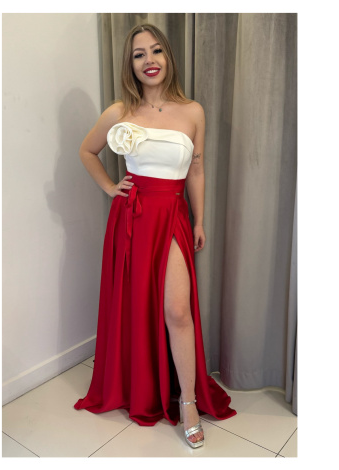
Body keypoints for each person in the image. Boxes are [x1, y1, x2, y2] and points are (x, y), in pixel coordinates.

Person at [74, 23, 236, 449]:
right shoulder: (119, 112)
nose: (149, 60)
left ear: (168, 57)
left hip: (172, 216)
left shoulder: (193, 111)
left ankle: (188, 403)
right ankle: (143, 386)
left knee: (177, 311)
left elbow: (196, 169)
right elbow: (87, 151)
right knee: (137, 307)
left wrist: (199, 220)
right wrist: (111, 188)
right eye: (138, 54)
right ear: (130, 64)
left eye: (156, 50)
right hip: (132, 218)